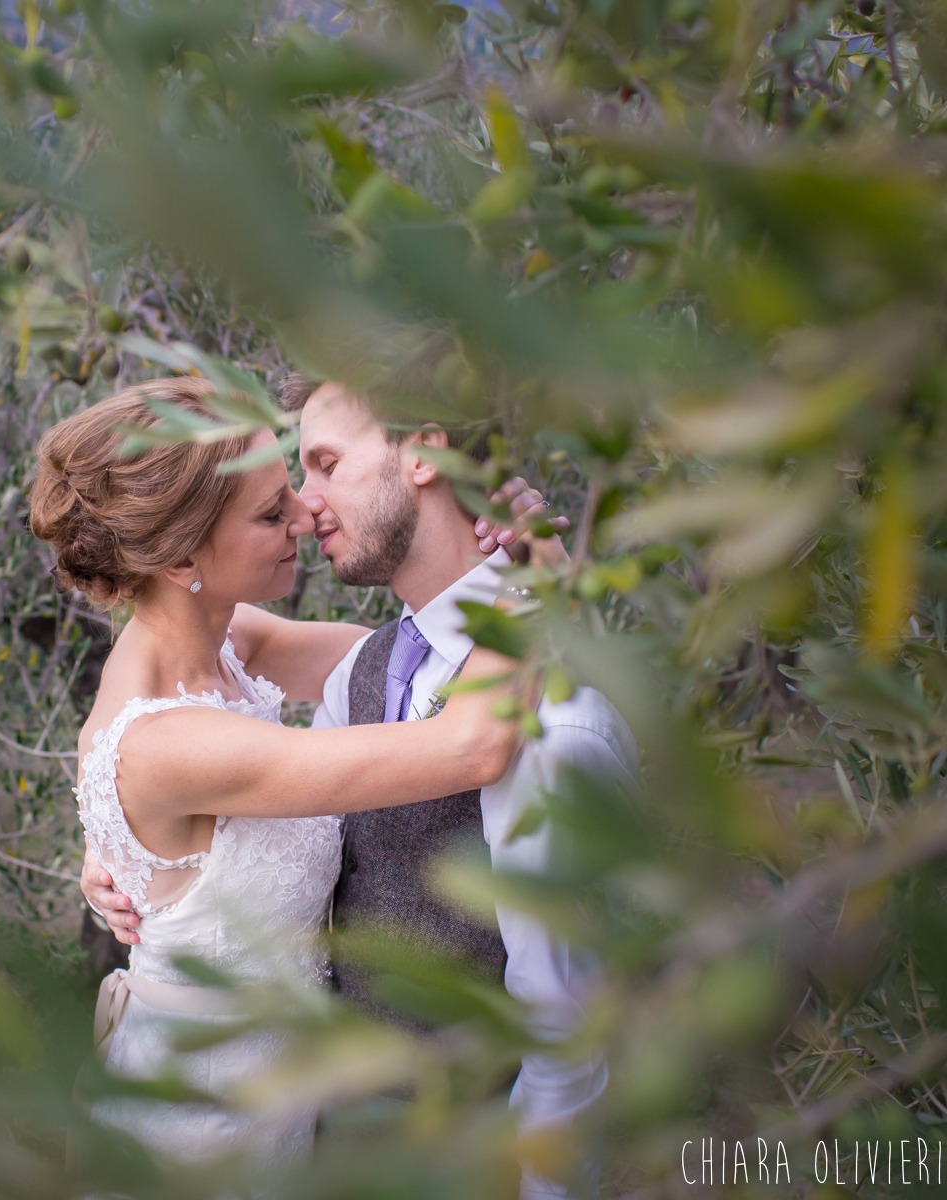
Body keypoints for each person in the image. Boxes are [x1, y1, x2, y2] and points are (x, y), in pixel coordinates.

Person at [82, 375, 639, 1199]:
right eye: (277, 505)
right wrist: (122, 831)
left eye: (324, 465)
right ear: (183, 557)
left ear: (425, 455)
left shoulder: (542, 717)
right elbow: (151, 713)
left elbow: (570, 1032)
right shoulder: (352, 682)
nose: (305, 511)